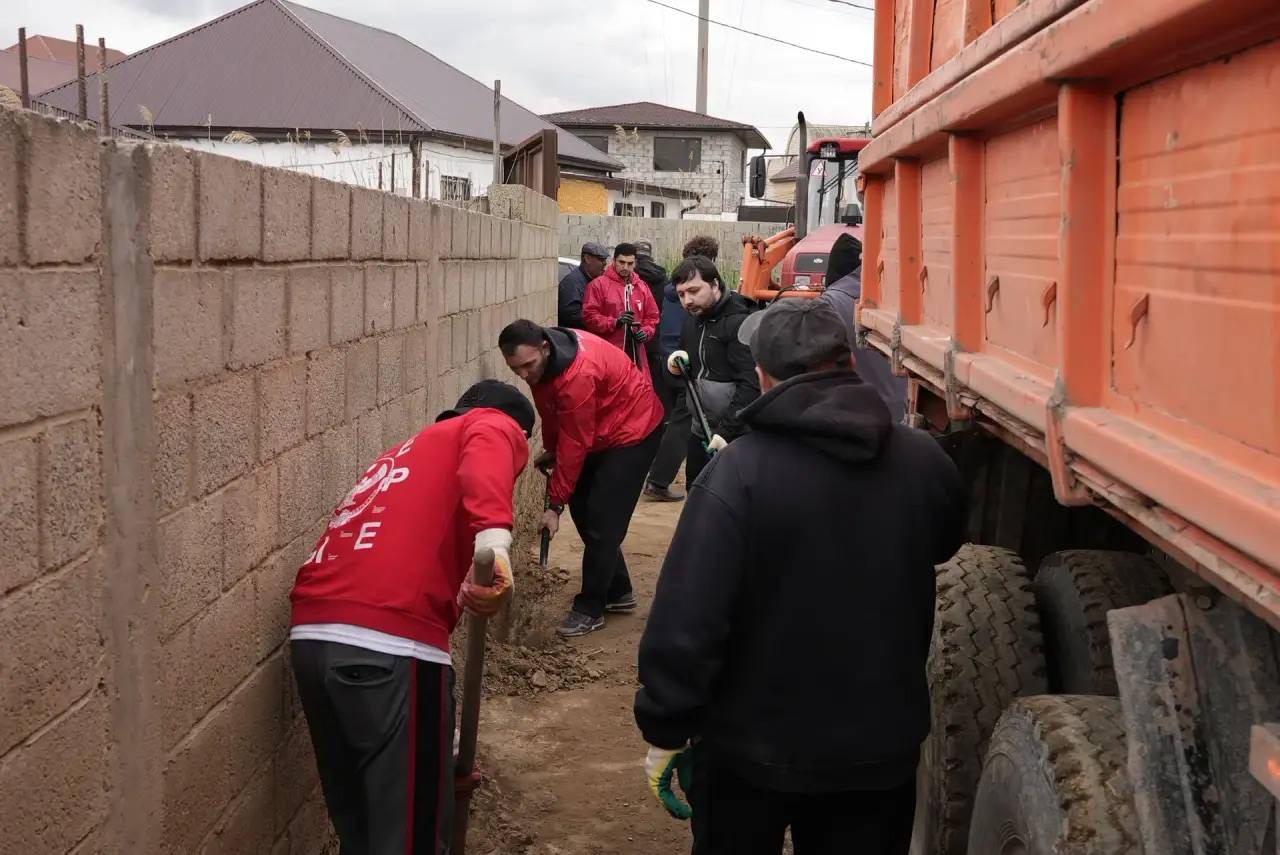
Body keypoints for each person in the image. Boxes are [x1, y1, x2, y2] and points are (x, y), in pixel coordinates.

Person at [634, 300, 966, 855]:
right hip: (876, 750)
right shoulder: (924, 462)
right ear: (850, 363)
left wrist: (666, 727)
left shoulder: (738, 472)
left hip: (747, 751)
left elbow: (689, 617)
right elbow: (944, 542)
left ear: (763, 375)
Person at [289, 380, 536, 855]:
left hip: (314, 640)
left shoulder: (402, 456)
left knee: (361, 822)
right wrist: (494, 543)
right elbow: (489, 447)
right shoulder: (492, 425)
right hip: (390, 645)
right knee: (410, 836)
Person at [499, 319, 665, 638]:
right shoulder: (542, 364)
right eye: (515, 369)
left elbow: (576, 443)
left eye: (527, 366)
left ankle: (590, 607)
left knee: (603, 521)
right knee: (585, 510)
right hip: (600, 429)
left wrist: (554, 506)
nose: (523, 375)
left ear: (544, 348)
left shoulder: (577, 374)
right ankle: (618, 591)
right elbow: (550, 411)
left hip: (634, 430)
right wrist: (551, 448)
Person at [667, 254, 759, 486]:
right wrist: (673, 366)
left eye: (694, 291)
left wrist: (726, 432)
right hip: (700, 432)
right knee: (697, 495)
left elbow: (751, 385)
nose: (687, 301)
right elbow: (685, 371)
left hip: (737, 438)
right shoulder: (692, 321)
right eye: (681, 294)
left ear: (715, 284)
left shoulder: (739, 322)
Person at [644, 236, 720, 500]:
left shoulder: (673, 289)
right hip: (680, 364)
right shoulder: (688, 294)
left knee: (676, 420)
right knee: (684, 422)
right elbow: (680, 333)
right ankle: (658, 480)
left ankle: (656, 477)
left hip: (671, 361)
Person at [581, 242, 661, 380]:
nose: (625, 267)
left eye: (630, 263)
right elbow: (589, 316)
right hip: (608, 352)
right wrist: (615, 322)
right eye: (621, 262)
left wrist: (646, 332)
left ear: (635, 263)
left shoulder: (641, 287)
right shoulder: (598, 285)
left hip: (637, 355)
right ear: (614, 261)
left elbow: (652, 317)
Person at [558, 241, 610, 328]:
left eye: (605, 260)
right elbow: (572, 317)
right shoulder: (572, 283)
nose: (605, 264)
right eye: (601, 259)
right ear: (587, 259)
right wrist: (599, 320)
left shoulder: (595, 280)